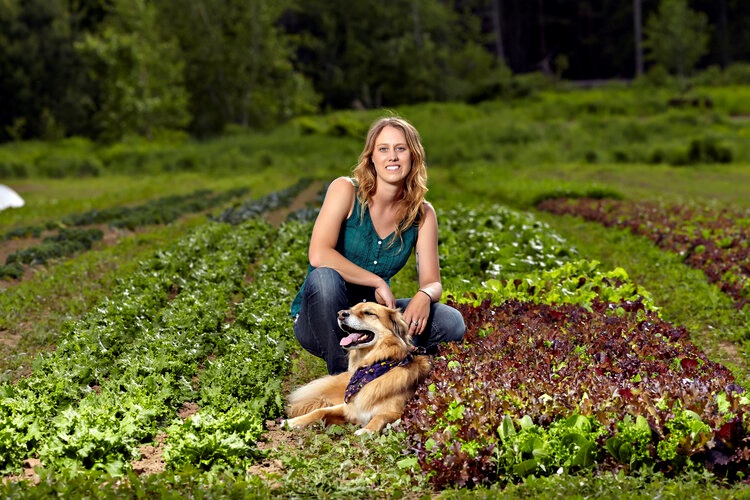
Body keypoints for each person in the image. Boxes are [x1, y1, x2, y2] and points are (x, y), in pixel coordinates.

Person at [290, 115, 466, 374]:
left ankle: (388, 360)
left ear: (413, 156)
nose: (392, 156)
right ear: (371, 157)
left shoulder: (423, 214)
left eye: (400, 148)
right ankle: (346, 376)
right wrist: (376, 281)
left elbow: (433, 281)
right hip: (322, 319)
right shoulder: (345, 191)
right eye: (383, 149)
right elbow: (319, 254)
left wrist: (424, 295)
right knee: (324, 277)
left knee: (451, 321)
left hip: (372, 321)